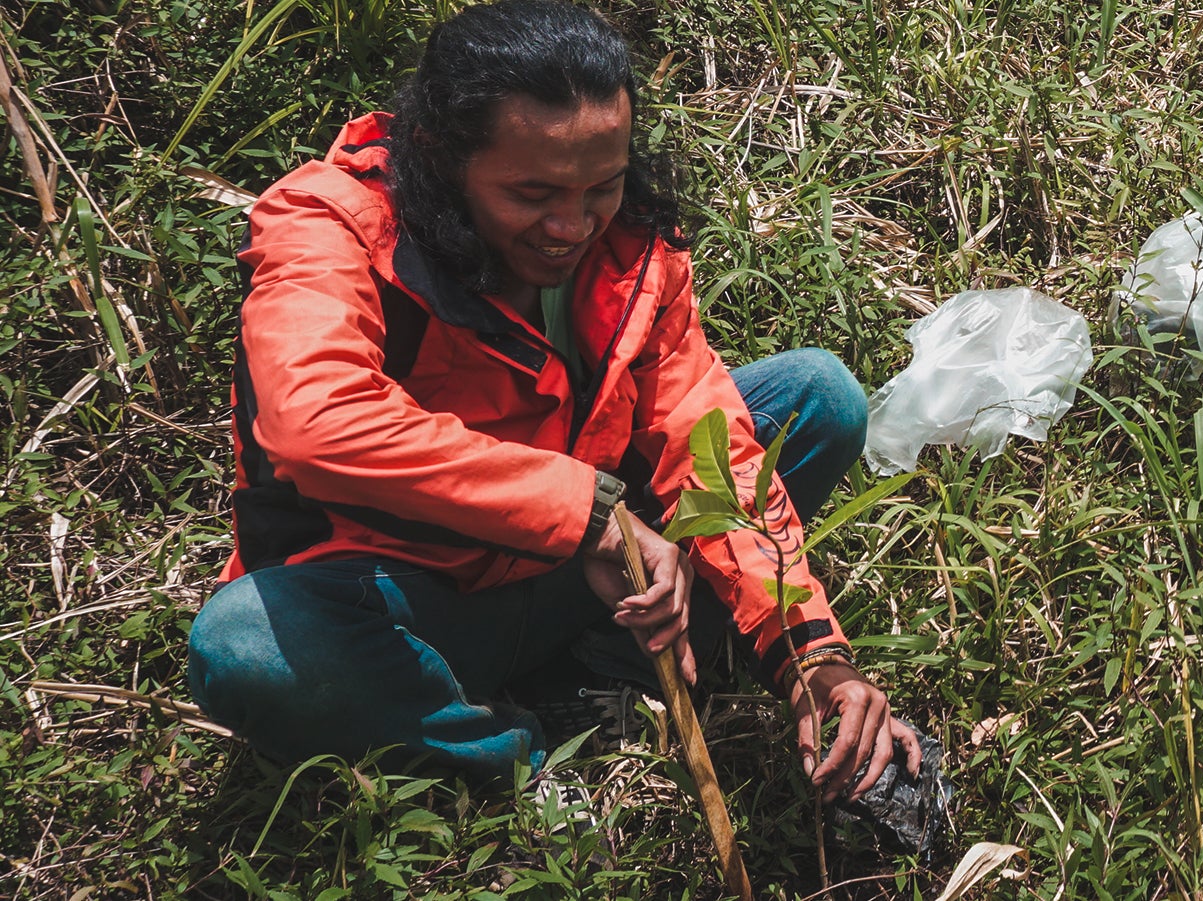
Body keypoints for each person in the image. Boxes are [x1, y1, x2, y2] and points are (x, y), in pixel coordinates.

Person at [187, 0, 932, 825]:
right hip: (410, 599)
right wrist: (590, 514)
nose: (571, 225)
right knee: (245, 645)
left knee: (813, 398)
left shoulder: (633, 243)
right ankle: (516, 761)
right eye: (531, 193)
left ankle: (605, 674)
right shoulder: (329, 223)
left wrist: (811, 656)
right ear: (438, 156)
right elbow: (314, 419)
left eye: (602, 186)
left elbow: (701, 435)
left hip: (586, 569)